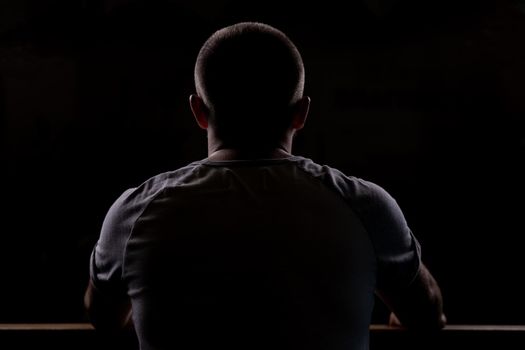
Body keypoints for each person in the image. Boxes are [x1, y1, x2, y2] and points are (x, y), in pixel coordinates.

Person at [84, 21, 446, 350]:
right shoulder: (367, 207)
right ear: (302, 113)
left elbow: (103, 316)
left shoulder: (132, 215)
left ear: (198, 110)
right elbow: (427, 314)